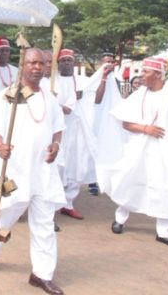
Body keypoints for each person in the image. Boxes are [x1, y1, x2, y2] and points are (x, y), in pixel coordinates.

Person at [0, 48, 66, 295]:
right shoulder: (9, 95)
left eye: (42, 63)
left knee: (44, 224)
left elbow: (58, 127)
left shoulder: (50, 96)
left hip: (43, 172)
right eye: (33, 63)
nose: (38, 67)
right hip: (13, 172)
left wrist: (56, 145)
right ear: (23, 65)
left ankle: (42, 274)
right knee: (2, 218)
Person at [107, 57, 168, 249]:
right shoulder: (139, 94)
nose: (141, 76)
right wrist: (145, 129)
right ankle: (120, 219)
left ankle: (163, 231)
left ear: (158, 74)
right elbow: (125, 123)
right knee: (130, 181)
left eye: (145, 72)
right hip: (141, 150)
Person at [56, 49, 95, 220]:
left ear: (74, 63)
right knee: (56, 165)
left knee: (74, 164)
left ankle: (68, 203)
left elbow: (97, 100)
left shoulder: (83, 81)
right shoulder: (51, 81)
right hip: (57, 130)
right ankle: (53, 202)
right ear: (58, 63)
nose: (66, 63)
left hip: (77, 129)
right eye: (63, 60)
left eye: (69, 60)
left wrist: (102, 79)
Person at [81, 52, 126, 196]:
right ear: (100, 64)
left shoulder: (118, 82)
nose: (109, 65)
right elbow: (96, 100)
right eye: (106, 62)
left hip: (110, 120)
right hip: (95, 119)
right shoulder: (92, 80)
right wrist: (104, 78)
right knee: (93, 147)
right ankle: (92, 180)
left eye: (111, 62)